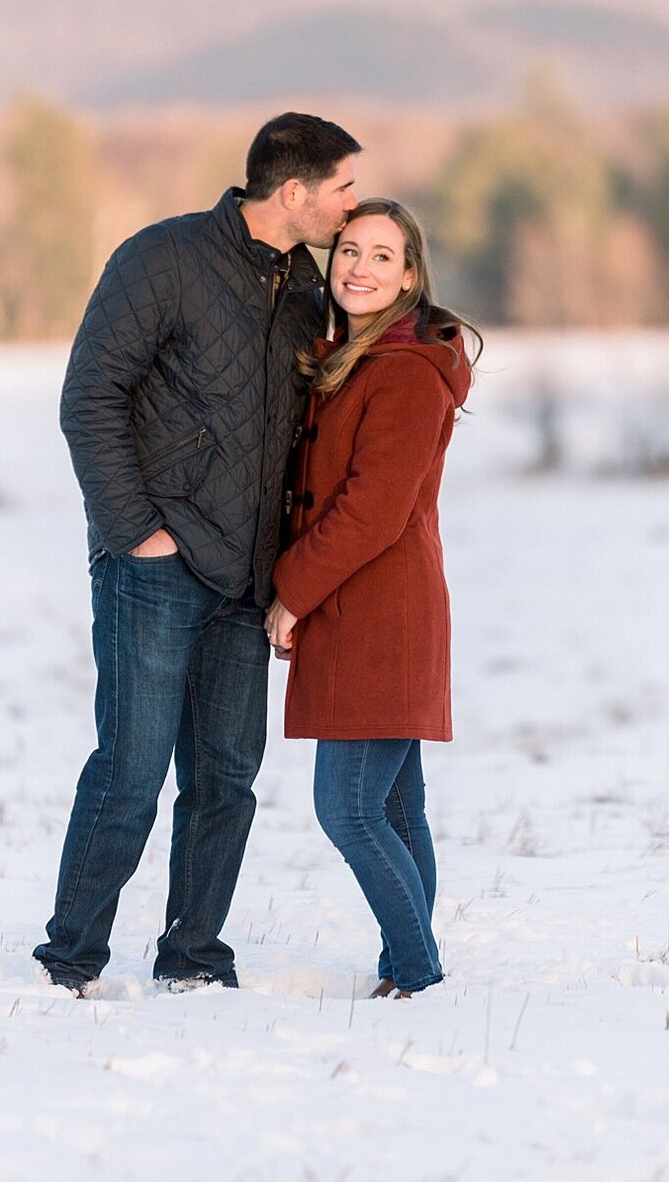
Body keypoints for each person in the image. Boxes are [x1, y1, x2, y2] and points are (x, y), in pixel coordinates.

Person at [34, 112, 361, 994]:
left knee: (226, 779)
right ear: (293, 191)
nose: (351, 205)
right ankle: (72, 955)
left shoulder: (307, 289)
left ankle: (192, 955)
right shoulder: (163, 258)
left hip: (248, 577)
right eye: (342, 187)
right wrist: (135, 531)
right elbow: (89, 397)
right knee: (131, 770)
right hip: (156, 565)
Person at [264, 198, 479, 999]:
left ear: (411, 276)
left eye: (382, 255)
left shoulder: (406, 372)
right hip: (364, 605)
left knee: (349, 808)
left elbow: (372, 509)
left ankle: (417, 967)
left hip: (383, 612)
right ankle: (406, 967)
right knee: (394, 805)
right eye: (349, 250)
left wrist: (291, 593)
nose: (359, 267)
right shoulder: (355, 358)